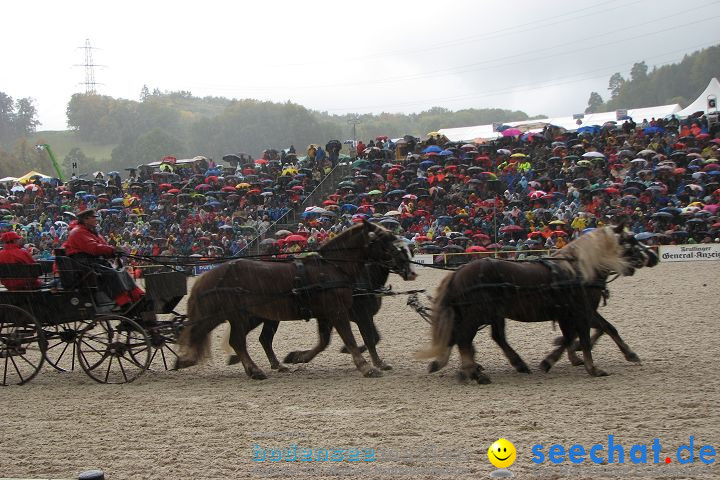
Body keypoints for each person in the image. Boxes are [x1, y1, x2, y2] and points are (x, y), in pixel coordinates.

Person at [62, 209, 145, 311]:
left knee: (122, 271)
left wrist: (114, 251)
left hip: (94, 262)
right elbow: (94, 248)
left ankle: (137, 295)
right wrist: (112, 250)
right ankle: (124, 303)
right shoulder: (77, 232)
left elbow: (103, 246)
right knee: (111, 274)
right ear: (86, 219)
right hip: (84, 265)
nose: (96, 220)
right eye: (94, 217)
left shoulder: (92, 232)